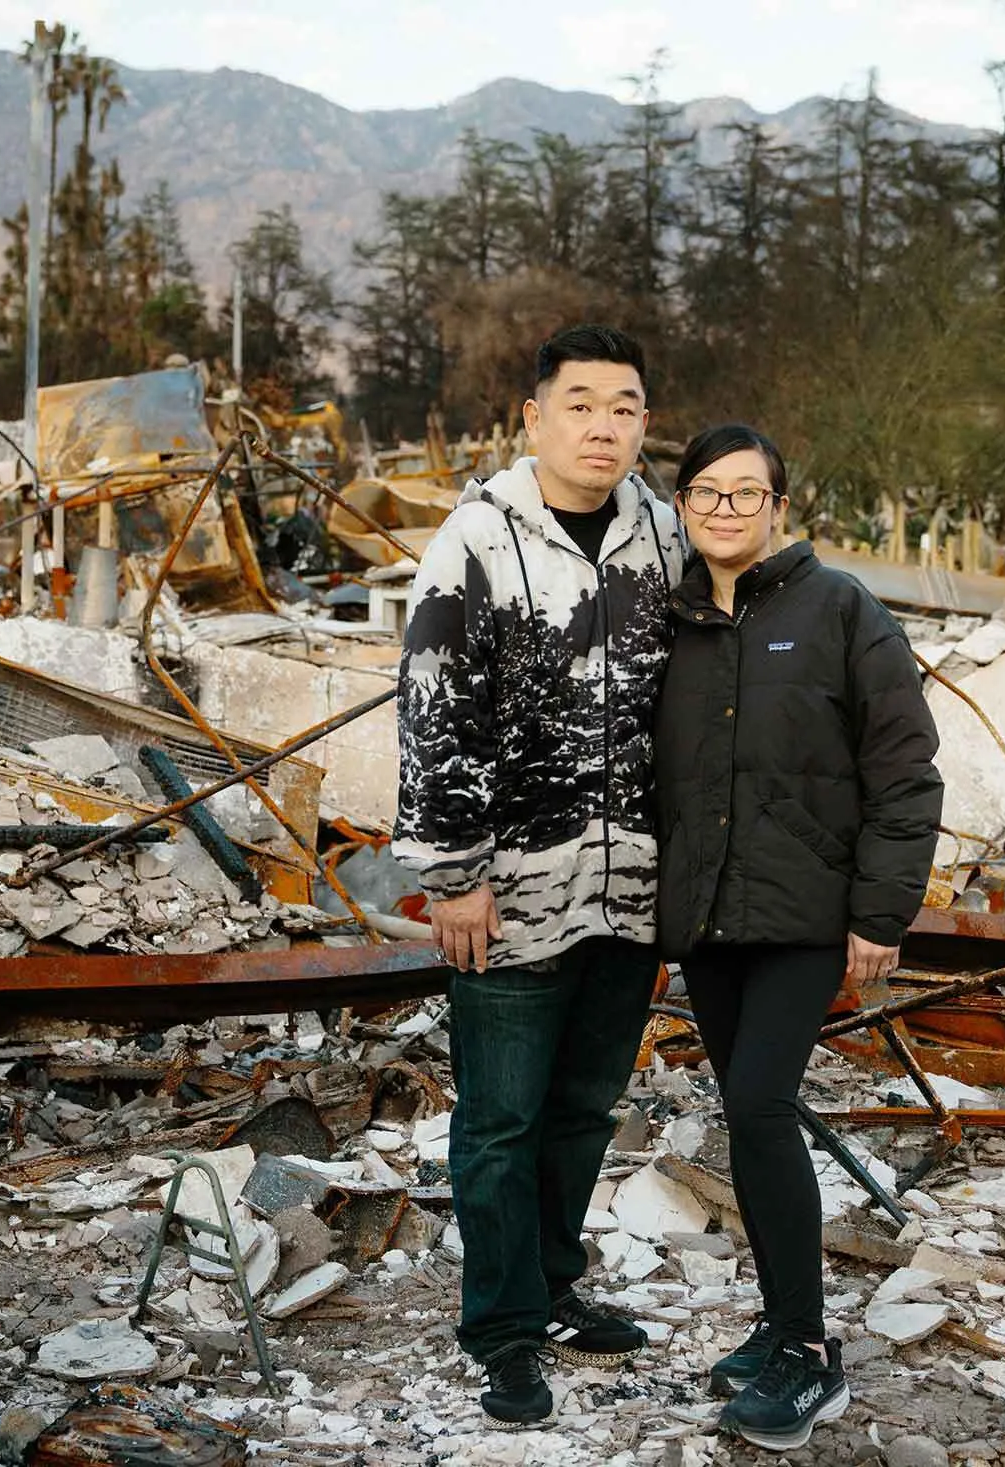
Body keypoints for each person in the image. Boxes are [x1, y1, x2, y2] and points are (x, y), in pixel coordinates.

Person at [392, 325, 686, 1428]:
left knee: (581, 1109)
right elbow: (433, 706)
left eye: (624, 406)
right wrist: (454, 872)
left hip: (632, 888)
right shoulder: (477, 539)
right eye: (581, 404)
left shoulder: (660, 535)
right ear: (534, 418)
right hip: (511, 888)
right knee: (502, 1121)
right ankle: (505, 1330)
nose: (604, 425)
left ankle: (555, 1288)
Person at [653, 424, 942, 1450]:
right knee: (745, 1112)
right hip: (707, 918)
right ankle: (777, 1326)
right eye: (705, 493)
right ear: (681, 505)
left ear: (780, 505)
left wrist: (879, 913)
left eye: (746, 493)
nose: (724, 509)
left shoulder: (841, 610)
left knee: (765, 1108)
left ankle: (812, 1357)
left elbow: (905, 770)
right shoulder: (671, 621)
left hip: (805, 916)